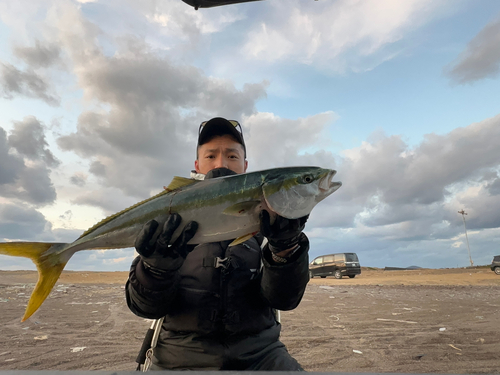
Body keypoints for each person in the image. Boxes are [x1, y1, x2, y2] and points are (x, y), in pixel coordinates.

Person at [126, 117, 310, 371]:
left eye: (232, 156)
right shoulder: (172, 216)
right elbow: (144, 307)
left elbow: (284, 300)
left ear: (246, 166)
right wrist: (155, 269)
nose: (221, 163)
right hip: (178, 357)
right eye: (211, 156)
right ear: (197, 165)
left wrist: (286, 249)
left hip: (261, 355)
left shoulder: (269, 219)